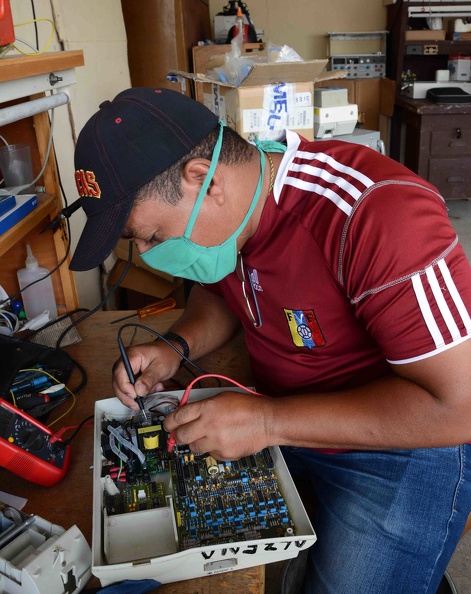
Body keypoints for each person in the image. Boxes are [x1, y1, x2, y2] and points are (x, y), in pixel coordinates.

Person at [70, 87, 471, 593]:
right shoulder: (229, 220)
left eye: (150, 237)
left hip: (402, 441)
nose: (149, 255)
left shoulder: (375, 213)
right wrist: (176, 347)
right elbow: (222, 295)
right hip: (284, 415)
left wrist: (267, 421)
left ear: (205, 180)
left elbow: (460, 407)